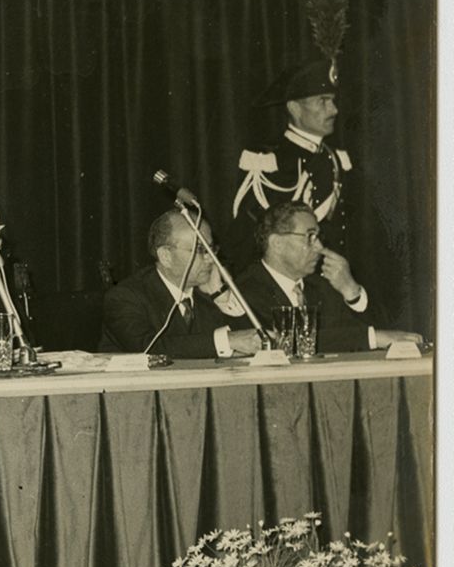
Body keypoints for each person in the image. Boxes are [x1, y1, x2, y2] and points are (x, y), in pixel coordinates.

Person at [235, 202, 420, 354]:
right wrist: (372, 338)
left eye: (318, 236)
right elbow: (288, 341)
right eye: (310, 237)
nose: (320, 246)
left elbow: (385, 334)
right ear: (277, 244)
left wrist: (351, 290)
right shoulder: (244, 290)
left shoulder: (321, 287)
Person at [232, 56, 352, 255]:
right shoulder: (268, 161)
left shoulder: (339, 159)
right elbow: (250, 237)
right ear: (295, 108)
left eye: (332, 101)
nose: (334, 110)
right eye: (322, 101)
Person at [100, 211, 261, 359]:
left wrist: (221, 295)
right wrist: (225, 341)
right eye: (200, 250)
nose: (211, 259)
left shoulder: (206, 292)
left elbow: (251, 341)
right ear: (166, 256)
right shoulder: (125, 296)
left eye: (211, 249)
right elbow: (147, 348)